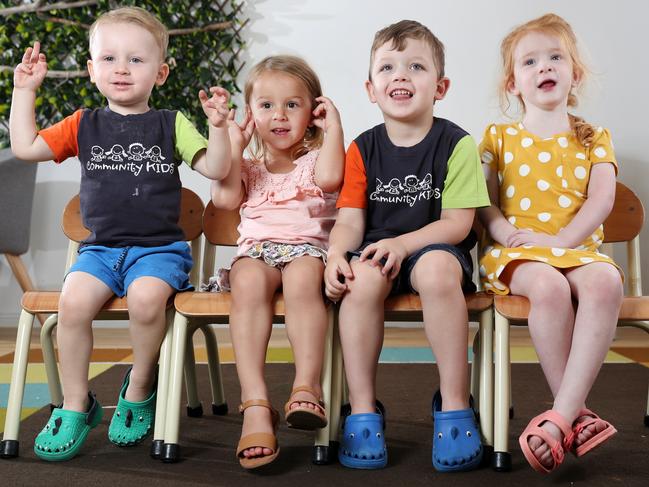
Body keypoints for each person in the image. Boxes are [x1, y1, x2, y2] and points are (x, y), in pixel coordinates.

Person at [9, 6, 231, 461]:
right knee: (71, 305)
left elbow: (217, 168)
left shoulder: (172, 124)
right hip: (99, 251)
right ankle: (77, 403)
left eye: (136, 59)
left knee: (149, 301)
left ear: (161, 72)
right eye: (109, 59)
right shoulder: (83, 124)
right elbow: (25, 147)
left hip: (159, 252)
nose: (122, 69)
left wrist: (220, 126)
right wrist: (24, 92)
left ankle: (140, 384)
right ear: (92, 71)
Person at [324, 20, 489, 471]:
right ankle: (361, 408)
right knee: (359, 283)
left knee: (436, 272)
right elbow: (351, 221)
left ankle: (455, 403)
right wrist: (337, 254)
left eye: (416, 66)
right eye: (388, 68)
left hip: (435, 248)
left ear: (441, 86)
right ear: (371, 88)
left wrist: (403, 243)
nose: (400, 75)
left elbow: (457, 224)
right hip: (379, 250)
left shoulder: (457, 144)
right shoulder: (361, 149)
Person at [478, 13, 622, 474]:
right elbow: (483, 201)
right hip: (519, 250)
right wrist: (505, 234)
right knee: (549, 288)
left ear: (574, 73)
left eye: (556, 57)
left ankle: (560, 419)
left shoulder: (594, 137)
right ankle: (576, 415)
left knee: (604, 283)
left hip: (575, 247)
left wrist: (561, 241)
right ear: (513, 84)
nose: (545, 67)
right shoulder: (499, 137)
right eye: (531, 61)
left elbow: (601, 202)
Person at [207, 55, 344, 469]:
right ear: (251, 114)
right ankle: (255, 405)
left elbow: (334, 178)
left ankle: (306, 387)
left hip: (308, 252)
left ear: (313, 112)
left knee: (304, 279)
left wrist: (334, 127)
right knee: (246, 283)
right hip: (257, 253)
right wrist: (232, 142)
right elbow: (224, 200)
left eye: (292, 105)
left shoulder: (315, 164)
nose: (279, 116)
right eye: (266, 105)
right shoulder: (247, 168)